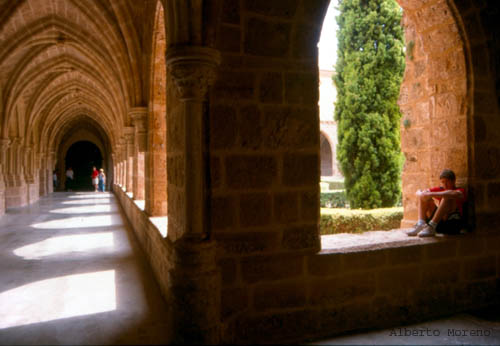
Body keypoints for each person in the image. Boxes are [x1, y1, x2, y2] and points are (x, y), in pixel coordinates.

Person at [407, 169, 466, 237]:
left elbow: (452, 194)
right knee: (424, 198)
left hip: (453, 225)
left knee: (447, 196)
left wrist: (430, 194)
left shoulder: (460, 191)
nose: (445, 184)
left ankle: (432, 226)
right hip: (439, 224)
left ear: (453, 181)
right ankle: (421, 223)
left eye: (447, 182)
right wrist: (423, 194)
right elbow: (419, 192)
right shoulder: (440, 189)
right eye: (443, 182)